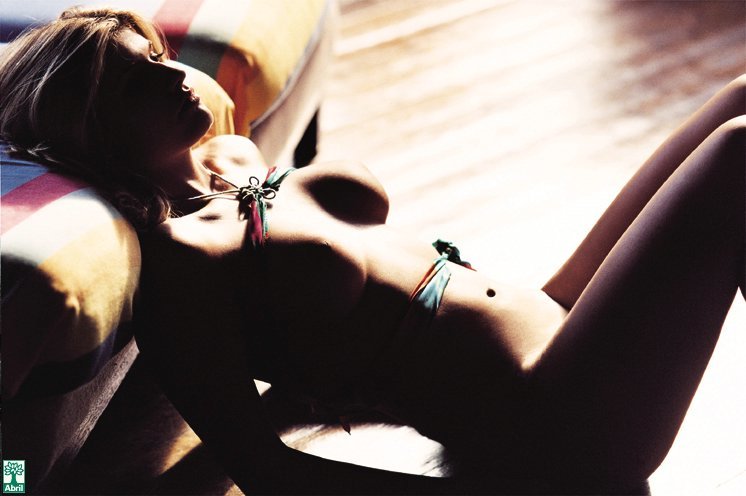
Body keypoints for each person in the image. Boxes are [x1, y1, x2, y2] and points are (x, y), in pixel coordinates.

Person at [0, 7, 743, 495]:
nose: (174, 75)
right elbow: (262, 470)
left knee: (738, 96)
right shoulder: (183, 263)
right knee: (739, 154)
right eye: (137, 83)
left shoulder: (233, 157)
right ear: (92, 129)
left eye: (159, 54)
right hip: (553, 424)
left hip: (557, 313)